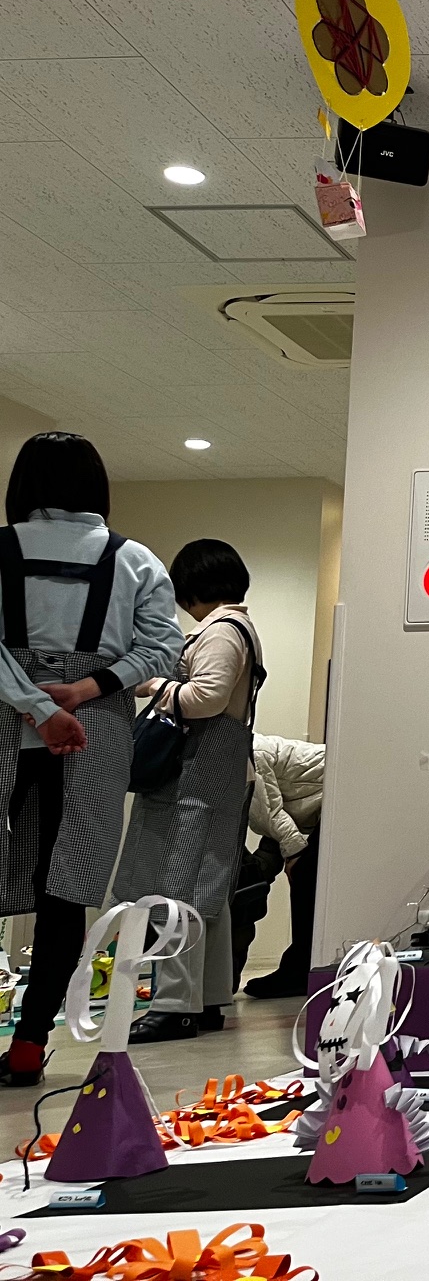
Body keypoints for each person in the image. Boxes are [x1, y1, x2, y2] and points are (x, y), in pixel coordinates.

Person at [0, 433, 182, 1087]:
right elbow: (164, 650)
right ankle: (28, 1047)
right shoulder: (135, 560)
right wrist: (80, 691)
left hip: (5, 723)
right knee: (66, 888)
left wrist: (33, 704)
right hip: (95, 731)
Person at [114, 539, 265, 1043]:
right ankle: (210, 999)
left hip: (196, 782)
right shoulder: (238, 628)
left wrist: (153, 687)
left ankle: (175, 1005)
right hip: (215, 778)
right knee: (207, 893)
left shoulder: (221, 631)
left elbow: (208, 697)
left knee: (176, 891)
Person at [231, 733, 323, 997]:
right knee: (262, 877)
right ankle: (298, 969)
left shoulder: (250, 753)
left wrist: (295, 855)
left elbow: (270, 814)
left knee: (305, 877)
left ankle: (298, 972)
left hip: (338, 800)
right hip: (321, 809)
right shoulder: (247, 750)